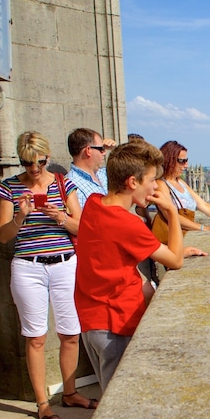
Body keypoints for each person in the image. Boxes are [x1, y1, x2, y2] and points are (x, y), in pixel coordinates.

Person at [0, 131, 97, 419]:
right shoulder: (9, 188)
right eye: (27, 163)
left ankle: (70, 392)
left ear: (48, 158)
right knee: (36, 337)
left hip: (65, 263)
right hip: (29, 267)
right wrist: (20, 216)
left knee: (70, 333)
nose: (34, 169)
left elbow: (83, 229)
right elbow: (2, 236)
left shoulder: (64, 184)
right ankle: (43, 403)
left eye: (39, 162)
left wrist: (61, 218)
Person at [75, 140, 186, 391]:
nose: (155, 187)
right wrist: (170, 211)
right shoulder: (127, 223)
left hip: (92, 320)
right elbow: (176, 260)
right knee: (120, 399)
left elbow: (113, 249)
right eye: (151, 180)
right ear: (132, 182)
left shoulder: (94, 203)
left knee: (109, 395)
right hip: (117, 322)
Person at [65, 128, 117, 208]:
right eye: (102, 149)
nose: (105, 153)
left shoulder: (103, 173)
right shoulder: (72, 186)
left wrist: (116, 150)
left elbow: (135, 170)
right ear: (88, 150)